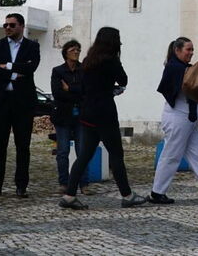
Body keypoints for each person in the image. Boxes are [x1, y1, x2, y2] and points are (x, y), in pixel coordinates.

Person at [59, 27, 146, 210]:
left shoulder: (88, 61)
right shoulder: (111, 60)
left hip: (87, 113)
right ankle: (127, 195)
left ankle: (69, 195)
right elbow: (124, 80)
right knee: (116, 155)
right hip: (105, 114)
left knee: (84, 155)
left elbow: (83, 88)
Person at [149, 36, 198, 205]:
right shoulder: (174, 68)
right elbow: (188, 86)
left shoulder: (185, 68)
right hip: (178, 117)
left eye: (192, 49)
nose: (191, 53)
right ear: (177, 50)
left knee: (197, 155)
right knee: (172, 155)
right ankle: (157, 191)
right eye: (188, 49)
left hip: (188, 119)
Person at [0, 13, 40, 198]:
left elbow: (31, 68)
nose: (7, 28)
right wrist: (15, 71)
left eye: (12, 25)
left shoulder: (32, 46)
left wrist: (7, 66)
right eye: (5, 25)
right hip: (0, 101)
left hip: (23, 102)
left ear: (21, 26)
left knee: (23, 146)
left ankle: (21, 186)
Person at [51, 39, 87, 194]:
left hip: (80, 115)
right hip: (63, 115)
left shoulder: (83, 70)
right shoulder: (58, 71)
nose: (77, 52)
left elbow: (86, 91)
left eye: (78, 49)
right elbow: (57, 93)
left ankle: (84, 184)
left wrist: (70, 89)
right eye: (73, 49)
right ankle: (64, 183)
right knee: (63, 151)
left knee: (83, 151)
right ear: (66, 52)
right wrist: (76, 92)